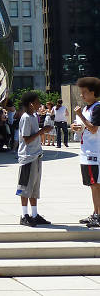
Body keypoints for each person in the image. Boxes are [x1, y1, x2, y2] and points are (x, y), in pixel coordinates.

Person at [16, 91, 52, 227]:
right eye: (37, 102)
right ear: (31, 104)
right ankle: (24, 215)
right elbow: (26, 139)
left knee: (34, 188)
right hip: (27, 157)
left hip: (36, 156)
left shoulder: (33, 116)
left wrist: (42, 130)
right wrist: (42, 131)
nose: (39, 104)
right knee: (25, 187)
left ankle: (35, 214)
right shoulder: (26, 118)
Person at [71, 76, 100, 227]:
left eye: (84, 92)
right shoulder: (86, 108)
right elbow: (85, 128)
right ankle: (95, 213)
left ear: (93, 93)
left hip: (95, 153)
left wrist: (81, 116)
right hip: (87, 152)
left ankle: (98, 215)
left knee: (96, 185)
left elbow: (94, 128)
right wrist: (76, 126)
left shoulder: (97, 107)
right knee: (93, 184)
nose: (81, 95)